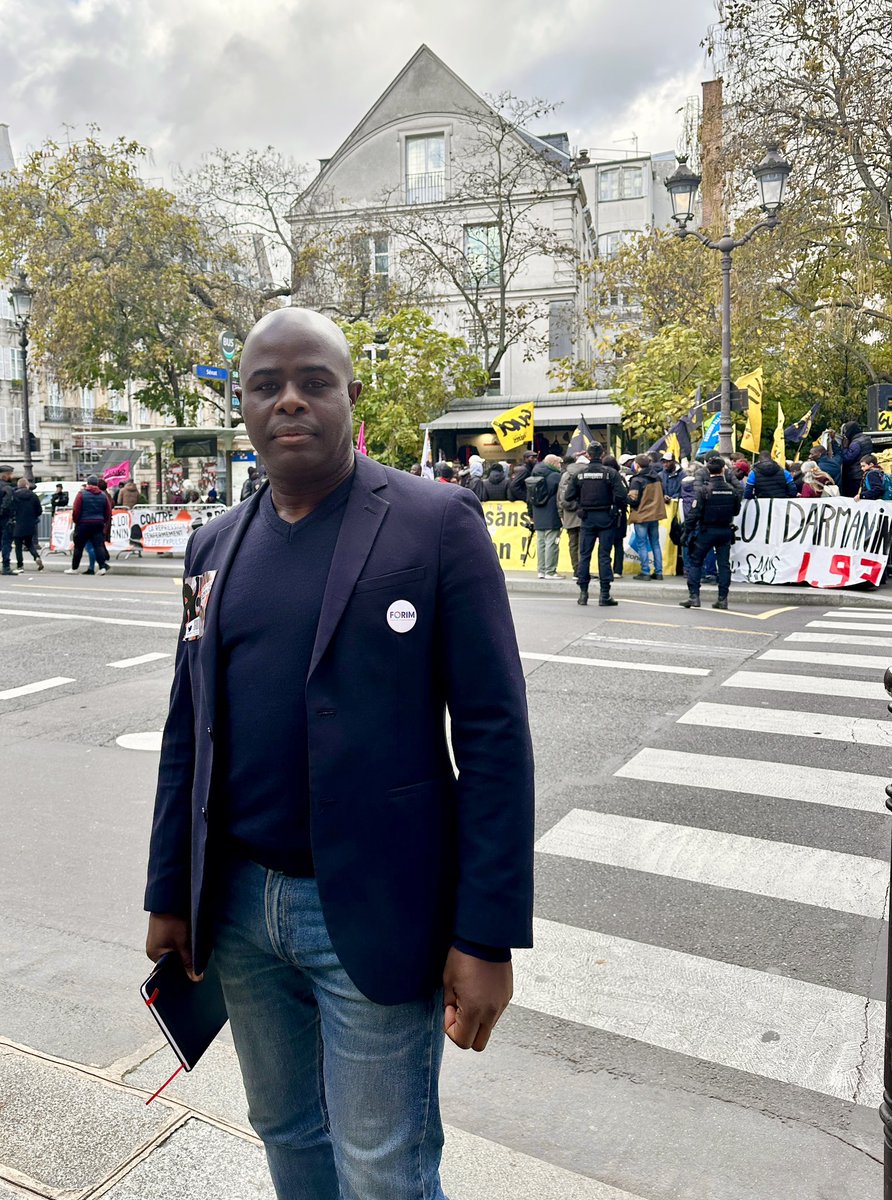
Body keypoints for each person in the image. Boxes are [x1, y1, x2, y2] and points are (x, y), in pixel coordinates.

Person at [143, 307, 534, 1200]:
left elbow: (495, 739)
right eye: (266, 386)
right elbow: (185, 734)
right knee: (285, 1132)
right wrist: (171, 893)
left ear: (352, 398)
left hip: (373, 909)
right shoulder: (212, 547)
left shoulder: (437, 524)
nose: (290, 401)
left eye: (314, 383)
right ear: (240, 405)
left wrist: (486, 935)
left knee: (383, 1166)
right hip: (237, 911)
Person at [565, 443, 627, 606]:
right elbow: (621, 495)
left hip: (587, 518)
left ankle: (583, 594)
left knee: (584, 555)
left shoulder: (580, 474)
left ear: (588, 455)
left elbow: (568, 496)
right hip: (606, 517)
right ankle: (604, 594)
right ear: (602, 454)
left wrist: (580, 503)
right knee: (604, 555)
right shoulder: (611, 473)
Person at [680, 454, 741, 610]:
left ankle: (694, 597)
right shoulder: (731, 490)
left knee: (696, 562)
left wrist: (686, 533)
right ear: (723, 470)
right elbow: (736, 511)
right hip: (725, 530)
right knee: (723, 565)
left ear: (707, 469)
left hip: (706, 530)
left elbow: (694, 514)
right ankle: (722, 599)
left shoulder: (703, 491)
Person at [627, 455, 667, 579]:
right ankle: (659, 572)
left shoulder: (637, 480)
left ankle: (645, 571)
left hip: (641, 515)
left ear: (637, 465)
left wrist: (625, 497)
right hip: (655, 515)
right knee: (655, 543)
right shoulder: (657, 477)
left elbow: (633, 500)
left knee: (642, 544)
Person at [64, 475, 111, 575]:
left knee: (78, 547)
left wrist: (77, 521)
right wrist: (103, 521)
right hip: (98, 523)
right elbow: (107, 511)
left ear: (88, 483)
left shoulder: (81, 494)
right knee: (98, 546)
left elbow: (76, 510)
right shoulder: (103, 495)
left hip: (83, 523)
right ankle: (102, 567)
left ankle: (74, 568)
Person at [526, 453, 562, 579]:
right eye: (558, 463)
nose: (560, 465)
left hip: (538, 514)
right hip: (552, 514)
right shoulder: (556, 476)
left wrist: (531, 514)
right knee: (552, 543)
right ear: (553, 463)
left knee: (541, 543)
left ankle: (541, 570)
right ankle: (550, 571)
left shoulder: (535, 474)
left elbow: (529, 498)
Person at [557, 450, 588, 580]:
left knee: (573, 544)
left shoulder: (565, 475)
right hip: (584, 513)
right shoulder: (587, 473)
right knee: (584, 544)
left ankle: (576, 570)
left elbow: (560, 497)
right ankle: (582, 571)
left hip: (568, 514)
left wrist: (561, 514)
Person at [603, 455, 627, 576]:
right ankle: (618, 570)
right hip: (619, 514)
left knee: (605, 544)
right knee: (618, 543)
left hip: (606, 513)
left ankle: (605, 569)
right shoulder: (620, 478)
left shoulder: (603, 478)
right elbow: (624, 495)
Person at [12, 477, 43, 572]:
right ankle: (36, 557)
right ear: (26, 485)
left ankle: (20, 565)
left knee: (18, 546)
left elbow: (11, 509)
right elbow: (39, 510)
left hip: (17, 523)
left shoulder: (14, 496)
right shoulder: (33, 496)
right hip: (30, 523)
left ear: (18, 486)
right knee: (29, 543)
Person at [839, 422, 873, 498]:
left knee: (854, 497)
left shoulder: (855, 443)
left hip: (856, 475)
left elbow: (847, 459)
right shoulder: (866, 438)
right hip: (864, 472)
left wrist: (844, 448)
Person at [0, 465, 15, 576]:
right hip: (5, 520)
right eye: (10, 474)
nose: (11, 476)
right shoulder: (7, 488)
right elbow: (7, 505)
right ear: (5, 475)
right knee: (6, 544)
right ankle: (6, 566)